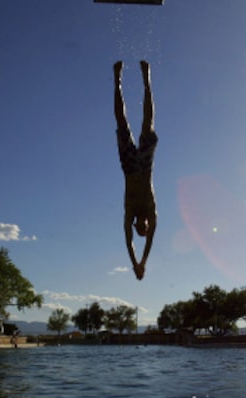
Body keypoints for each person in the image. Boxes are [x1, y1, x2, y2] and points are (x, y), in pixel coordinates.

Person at [114, 60, 158, 280]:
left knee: (122, 124)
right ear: (148, 226)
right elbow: (148, 242)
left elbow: (128, 242)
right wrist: (143, 262)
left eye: (139, 229)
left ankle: (117, 80)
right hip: (145, 164)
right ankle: (146, 78)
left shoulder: (129, 212)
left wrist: (136, 264)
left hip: (130, 167)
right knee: (148, 124)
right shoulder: (152, 211)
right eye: (144, 228)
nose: (143, 226)